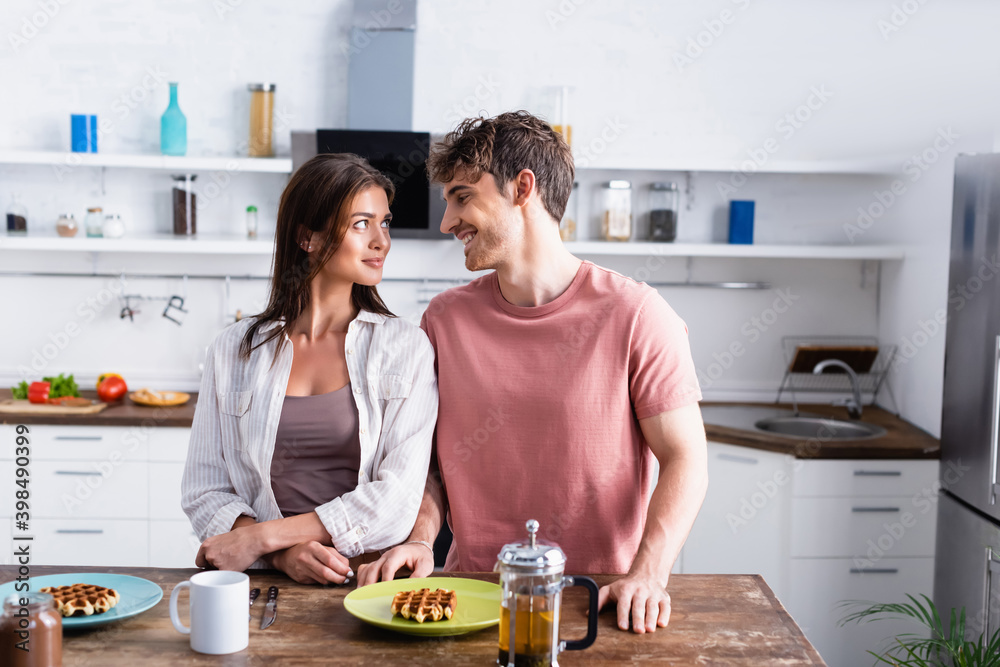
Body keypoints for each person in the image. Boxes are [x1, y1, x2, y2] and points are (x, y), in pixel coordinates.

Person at [357, 111, 709, 633]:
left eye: (461, 197)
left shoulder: (636, 315)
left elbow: (686, 459)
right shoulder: (444, 320)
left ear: (523, 188)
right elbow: (428, 464)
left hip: (599, 602)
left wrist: (649, 575)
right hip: (470, 598)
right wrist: (419, 538)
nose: (447, 222)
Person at [181, 153, 437, 584]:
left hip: (370, 582)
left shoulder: (404, 347)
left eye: (385, 222)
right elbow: (204, 490)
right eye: (361, 224)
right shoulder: (233, 350)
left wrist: (264, 539)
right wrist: (284, 555)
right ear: (308, 238)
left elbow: (397, 500)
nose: (381, 241)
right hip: (266, 586)